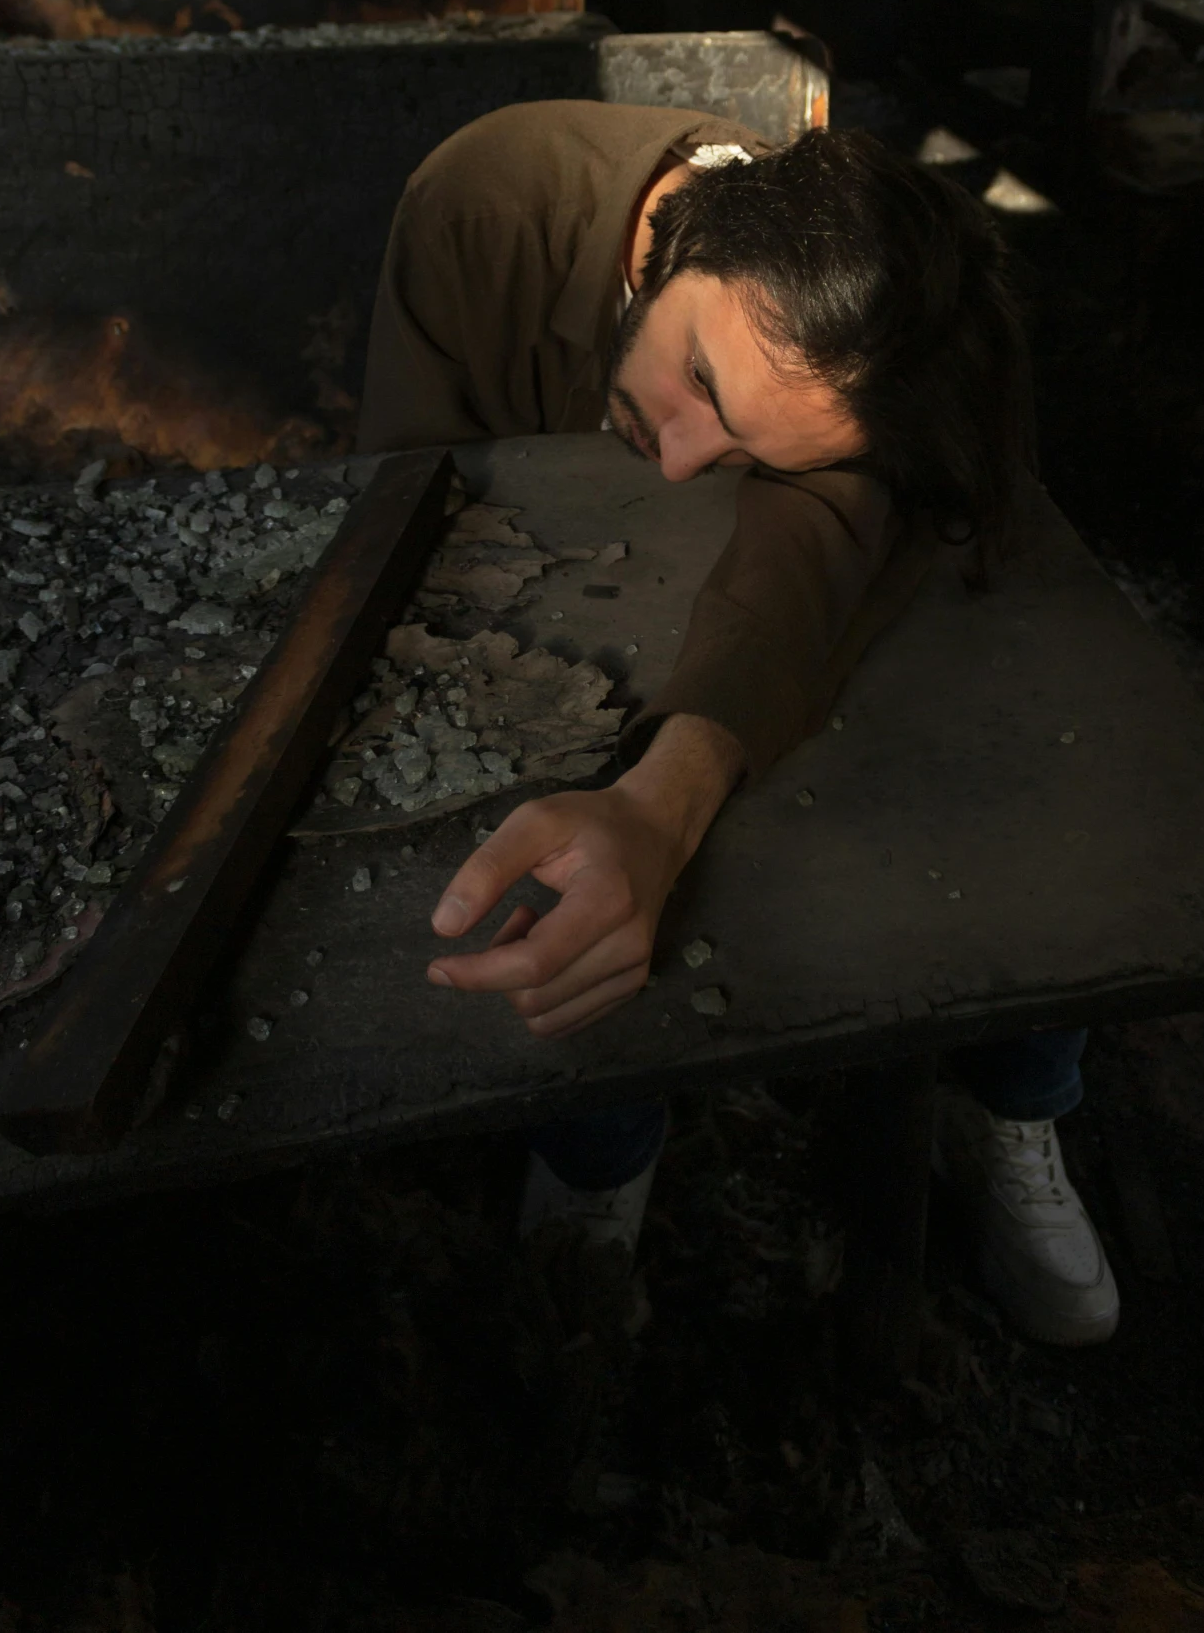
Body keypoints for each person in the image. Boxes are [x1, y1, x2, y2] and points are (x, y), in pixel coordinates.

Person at [358, 99, 1119, 1347]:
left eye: (741, 444)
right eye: (696, 378)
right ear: (683, 241)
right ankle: (596, 1172)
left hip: (746, 629)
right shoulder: (480, 206)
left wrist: (668, 794)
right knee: (560, 872)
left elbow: (807, 550)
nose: (676, 458)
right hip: (532, 609)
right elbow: (401, 495)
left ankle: (1019, 1103)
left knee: (1017, 753)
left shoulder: (847, 346)